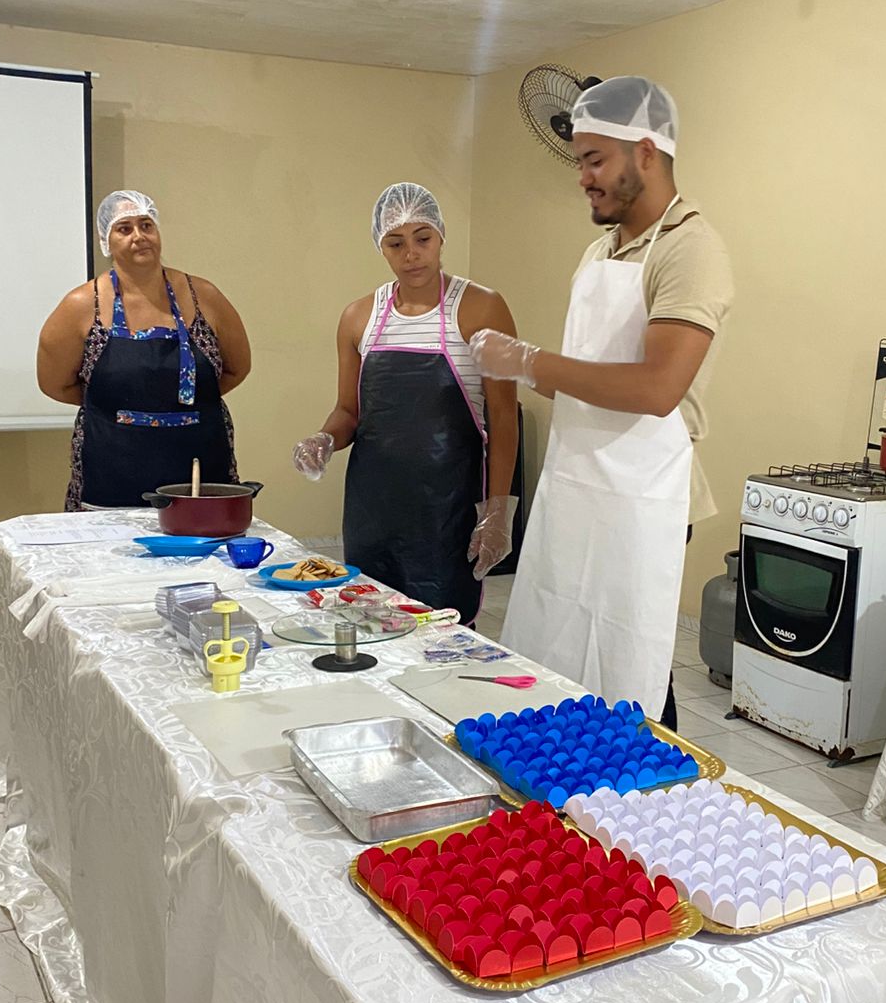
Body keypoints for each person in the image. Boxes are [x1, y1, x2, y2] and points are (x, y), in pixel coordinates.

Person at [470, 76, 734, 720]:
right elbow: (585, 374)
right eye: (580, 162)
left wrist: (529, 361)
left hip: (643, 492)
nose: (582, 178)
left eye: (594, 160)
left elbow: (657, 388)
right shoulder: (600, 250)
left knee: (630, 660)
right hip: (578, 479)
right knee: (561, 637)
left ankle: (646, 775)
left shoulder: (690, 249)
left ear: (645, 152)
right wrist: (521, 365)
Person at [292, 183, 518, 624]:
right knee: (371, 620)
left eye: (423, 238)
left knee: (443, 627)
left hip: (448, 507)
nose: (411, 254)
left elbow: (504, 417)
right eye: (396, 243)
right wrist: (324, 439)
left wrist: (497, 511)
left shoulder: (480, 308)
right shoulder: (359, 317)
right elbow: (349, 412)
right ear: (381, 247)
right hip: (372, 507)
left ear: (441, 237)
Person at [37, 191, 251, 509]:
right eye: (124, 229)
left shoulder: (203, 296)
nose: (139, 236)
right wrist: (113, 405)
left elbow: (237, 367)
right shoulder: (81, 306)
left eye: (146, 225)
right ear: (106, 241)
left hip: (200, 467)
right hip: (111, 470)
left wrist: (179, 403)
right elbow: (54, 384)